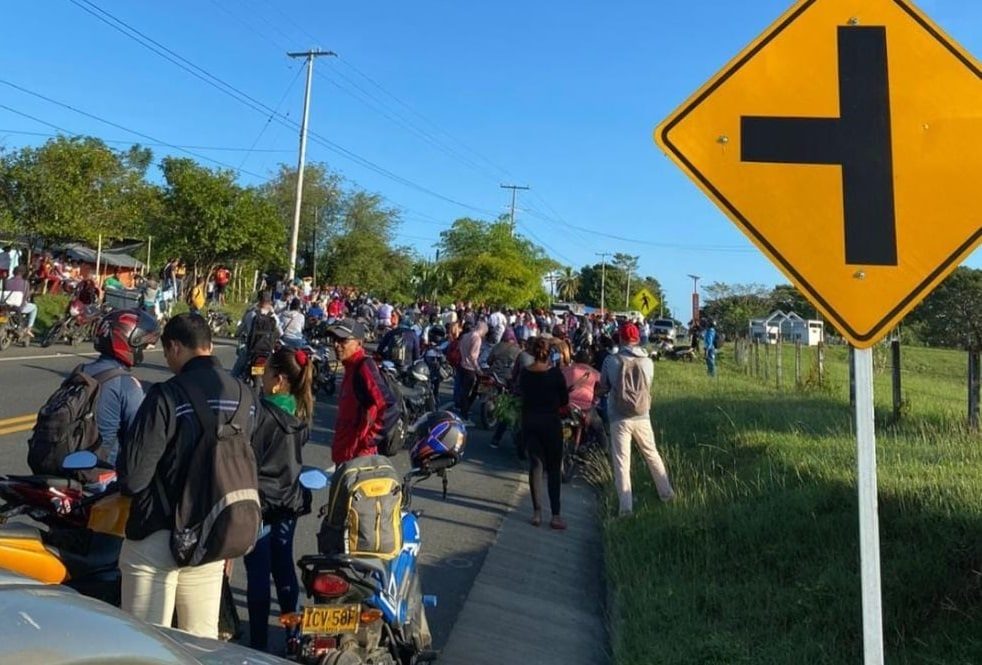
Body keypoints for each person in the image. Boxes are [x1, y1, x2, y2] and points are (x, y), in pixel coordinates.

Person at [117, 313, 257, 639]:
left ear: (176, 347)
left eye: (166, 352)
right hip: (210, 535)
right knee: (199, 643)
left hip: (158, 536)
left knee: (144, 645)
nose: (168, 360)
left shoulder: (168, 395)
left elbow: (134, 478)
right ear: (209, 345)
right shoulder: (246, 397)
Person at [244, 347, 313, 652]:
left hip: (259, 500)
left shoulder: (259, 414)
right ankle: (293, 634)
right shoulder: (301, 411)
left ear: (279, 379)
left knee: (258, 573)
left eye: (267, 372)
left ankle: (258, 644)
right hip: (288, 499)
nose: (262, 378)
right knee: (283, 566)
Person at [599, 322, 675, 516]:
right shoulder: (648, 362)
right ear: (638, 338)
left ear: (621, 338)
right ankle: (667, 494)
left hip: (619, 417)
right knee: (652, 454)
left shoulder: (611, 360)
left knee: (622, 462)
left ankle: (625, 509)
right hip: (642, 415)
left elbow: (604, 387)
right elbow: (647, 386)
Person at [82, 309, 159, 466]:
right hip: (98, 475)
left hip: (63, 466)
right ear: (130, 340)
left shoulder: (81, 371)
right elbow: (140, 439)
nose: (144, 350)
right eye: (142, 345)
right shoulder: (126, 385)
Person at [519, 337, 569, 530]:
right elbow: (564, 400)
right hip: (551, 423)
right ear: (550, 353)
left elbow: (521, 393)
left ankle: (537, 512)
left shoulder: (525, 373)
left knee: (536, 466)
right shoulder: (555, 374)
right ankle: (555, 515)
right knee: (554, 468)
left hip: (530, 422)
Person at [327, 318, 386, 465]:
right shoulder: (350, 367)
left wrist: (368, 443)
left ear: (359, 343)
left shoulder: (364, 367)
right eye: (334, 339)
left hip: (357, 460)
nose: (336, 345)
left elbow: (389, 406)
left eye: (343, 340)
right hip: (345, 456)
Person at [562, 348, 608, 451]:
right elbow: (602, 389)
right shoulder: (595, 373)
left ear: (575, 359)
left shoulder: (566, 370)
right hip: (585, 409)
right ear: (589, 361)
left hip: (565, 407)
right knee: (599, 428)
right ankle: (604, 451)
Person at [232, 293, 282, 378]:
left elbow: (240, 330)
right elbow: (280, 333)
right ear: (270, 303)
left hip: (251, 349)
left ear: (259, 302)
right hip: (267, 351)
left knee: (235, 372)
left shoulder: (251, 314)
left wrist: (237, 334)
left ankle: (231, 385)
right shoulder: (274, 317)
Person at [454, 320, 487, 422]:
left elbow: (459, 347)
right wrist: (478, 369)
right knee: (471, 391)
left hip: (462, 365)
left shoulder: (466, 336)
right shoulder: (477, 338)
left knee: (464, 391)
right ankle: (465, 415)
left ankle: (464, 411)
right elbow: (473, 356)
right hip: (470, 368)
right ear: (482, 330)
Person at [2, 266, 38, 336]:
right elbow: (26, 296)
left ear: (13, 272)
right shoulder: (25, 283)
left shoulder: (7, 281)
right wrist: (32, 292)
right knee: (34, 308)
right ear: (23, 273)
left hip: (5, 306)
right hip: (18, 307)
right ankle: (28, 328)